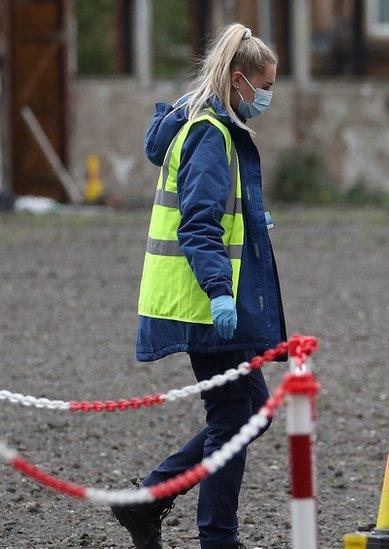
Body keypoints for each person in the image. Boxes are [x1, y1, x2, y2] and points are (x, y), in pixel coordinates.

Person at [112, 23, 286, 549]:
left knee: (243, 414)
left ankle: (151, 499)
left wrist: (253, 215)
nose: (268, 98)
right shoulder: (210, 132)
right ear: (238, 80)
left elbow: (217, 207)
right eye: (265, 86)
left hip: (204, 300)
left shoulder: (205, 125)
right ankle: (214, 535)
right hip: (206, 304)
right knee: (237, 417)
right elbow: (198, 222)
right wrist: (218, 290)